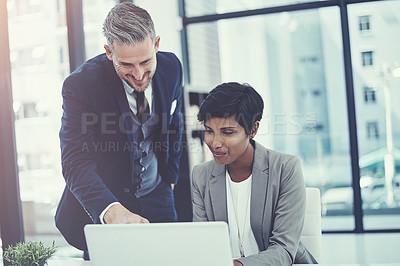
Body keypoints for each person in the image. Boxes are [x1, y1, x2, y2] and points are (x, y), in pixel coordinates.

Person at [55, 2, 183, 258]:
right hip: (107, 199)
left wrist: (169, 179)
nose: (138, 74)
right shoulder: (81, 85)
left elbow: (174, 123)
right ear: (109, 52)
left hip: (158, 192)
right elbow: (75, 160)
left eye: (146, 61)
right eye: (126, 64)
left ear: (156, 44)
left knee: (171, 259)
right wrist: (110, 210)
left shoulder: (171, 67)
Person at [191, 82, 318, 265]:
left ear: (253, 130)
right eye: (209, 131)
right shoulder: (201, 175)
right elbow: (203, 244)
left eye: (227, 132)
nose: (215, 143)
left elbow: (283, 249)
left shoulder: (285, 168)